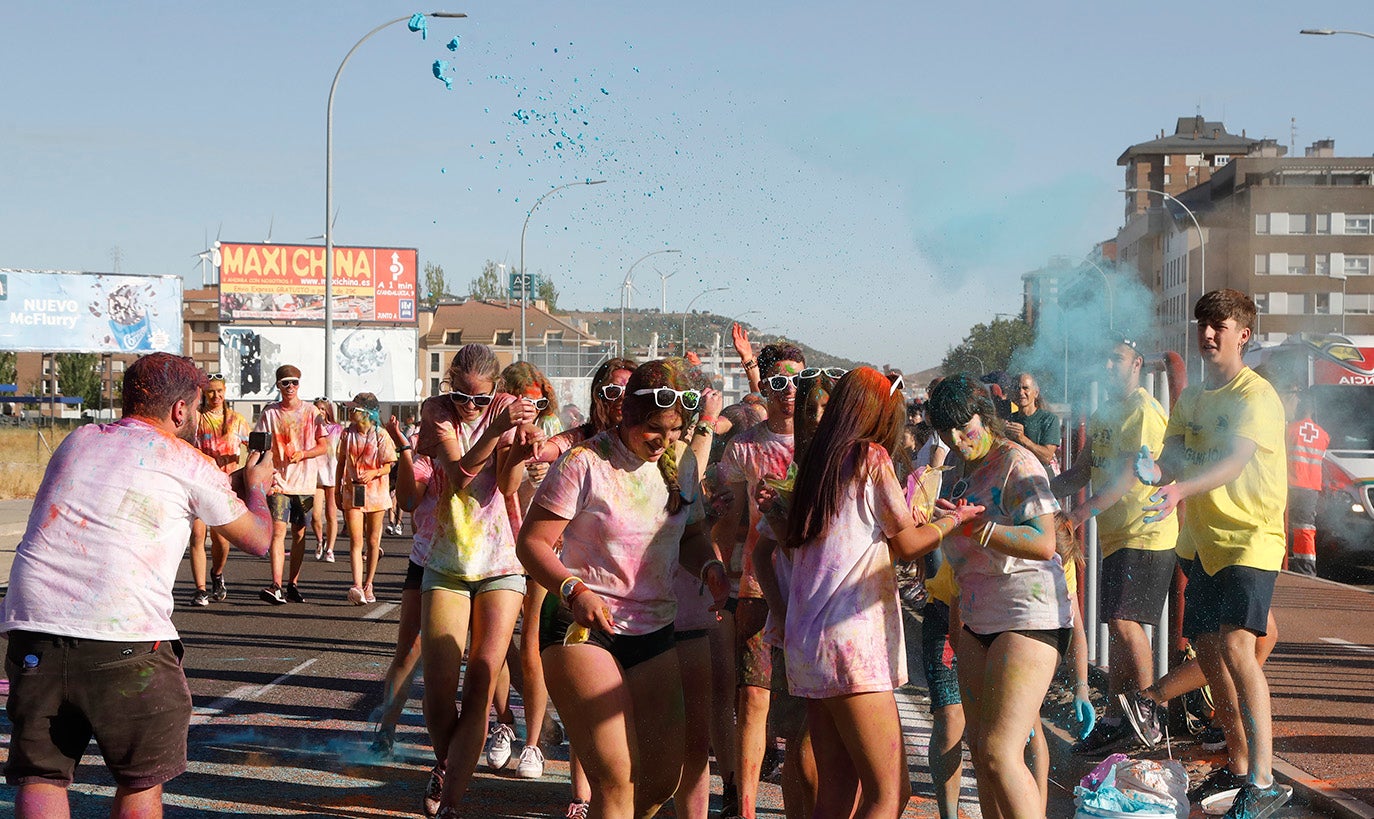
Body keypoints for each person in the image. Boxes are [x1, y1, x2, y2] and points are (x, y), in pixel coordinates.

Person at [1, 353, 274, 818]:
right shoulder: (186, 460)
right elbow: (259, 540)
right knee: (139, 779)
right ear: (180, 411)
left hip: (33, 629)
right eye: (197, 402)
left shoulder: (77, 440)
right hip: (125, 638)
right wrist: (256, 487)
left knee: (42, 775)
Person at [516, 360, 730, 819]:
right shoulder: (585, 462)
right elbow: (530, 543)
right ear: (628, 415)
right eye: (655, 429)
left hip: (653, 630)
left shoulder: (683, 465)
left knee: (659, 781)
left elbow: (691, 535)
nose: (665, 441)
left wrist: (709, 563)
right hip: (581, 629)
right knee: (616, 781)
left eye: (675, 431)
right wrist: (574, 590)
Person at [782, 368, 978, 819]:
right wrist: (955, 519)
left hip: (809, 643)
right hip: (853, 645)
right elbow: (907, 543)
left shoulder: (817, 460)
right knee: (889, 793)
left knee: (836, 789)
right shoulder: (870, 457)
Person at [1126, 290, 1290, 819]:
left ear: (1243, 334)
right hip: (1202, 544)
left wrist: (1179, 489)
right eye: (1202, 325)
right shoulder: (1193, 399)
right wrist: (1154, 472)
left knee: (1240, 648)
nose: (1208, 334)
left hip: (1250, 537)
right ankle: (1239, 764)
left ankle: (1264, 781)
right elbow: (1172, 458)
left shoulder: (1255, 395)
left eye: (1219, 325)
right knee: (1208, 649)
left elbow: (1235, 462)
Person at [927, 373, 1068, 819]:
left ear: (984, 417)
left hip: (1026, 612)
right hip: (975, 618)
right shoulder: (953, 474)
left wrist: (980, 528)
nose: (955, 439)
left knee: (1000, 750)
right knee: (982, 756)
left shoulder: (1017, 462)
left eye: (962, 427)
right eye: (944, 431)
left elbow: (1045, 542)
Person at [415, 344, 538, 819]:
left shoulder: (506, 411)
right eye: (462, 396)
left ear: (496, 391)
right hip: (447, 558)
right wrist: (498, 432)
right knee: (440, 691)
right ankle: (446, 761)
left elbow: (506, 487)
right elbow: (462, 475)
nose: (470, 406)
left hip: (501, 560)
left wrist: (523, 452)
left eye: (480, 399)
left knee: (483, 679)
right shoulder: (436, 412)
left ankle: (452, 801)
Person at [1050, 334, 1178, 755]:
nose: (1107, 366)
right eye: (1103, 358)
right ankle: (1114, 718)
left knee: (1125, 624)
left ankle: (1147, 718)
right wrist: (1036, 489)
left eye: (1116, 358)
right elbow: (1082, 470)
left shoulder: (1142, 411)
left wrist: (1077, 515)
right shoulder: (1106, 412)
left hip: (1147, 533)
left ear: (1137, 363)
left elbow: (1126, 476)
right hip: (1117, 538)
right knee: (1119, 627)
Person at [714, 341, 805, 819]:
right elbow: (729, 519)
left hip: (814, 593)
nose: (789, 391)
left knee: (804, 714)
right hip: (754, 584)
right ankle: (745, 807)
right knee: (752, 699)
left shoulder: (823, 443)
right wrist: (715, 572)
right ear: (764, 386)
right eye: (778, 383)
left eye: (798, 381)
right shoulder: (745, 447)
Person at [371, 414, 438, 759]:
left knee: (492, 656)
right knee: (409, 648)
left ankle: (516, 723)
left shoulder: (484, 447)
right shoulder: (424, 460)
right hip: (426, 561)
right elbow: (409, 502)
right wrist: (406, 450)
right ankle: (386, 731)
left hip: (477, 565)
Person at [255, 364, 329, 604]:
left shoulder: (311, 412)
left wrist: (303, 454)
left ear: (300, 384)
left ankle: (292, 584)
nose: (290, 387)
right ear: (278, 386)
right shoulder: (270, 413)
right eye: (285, 383)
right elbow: (258, 443)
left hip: (305, 483)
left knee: (299, 533)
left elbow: (324, 446)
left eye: (294, 382)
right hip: (278, 481)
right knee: (278, 530)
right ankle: (276, 585)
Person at [188, 372, 250, 605]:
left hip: (224, 489)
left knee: (221, 542)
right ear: (204, 393)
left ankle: (216, 574)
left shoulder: (236, 421)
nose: (215, 395)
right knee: (197, 535)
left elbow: (252, 445)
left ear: (225, 392)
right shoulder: (196, 419)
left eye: (219, 391)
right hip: (199, 485)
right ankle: (200, 589)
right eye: (211, 391)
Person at [338, 392, 397, 605]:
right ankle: (356, 585)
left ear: (366, 412)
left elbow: (390, 464)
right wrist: (337, 490)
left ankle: (368, 583)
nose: (350, 412)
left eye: (354, 409)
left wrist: (373, 473)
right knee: (356, 540)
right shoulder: (347, 434)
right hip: (353, 491)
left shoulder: (380, 435)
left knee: (373, 541)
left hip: (376, 492)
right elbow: (341, 463)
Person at [1281, 385, 1326, 577]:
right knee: (1305, 530)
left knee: (1280, 525)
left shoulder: (1289, 430)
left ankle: (1279, 565)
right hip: (1311, 490)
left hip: (1290, 486)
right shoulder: (1323, 436)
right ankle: (1307, 570)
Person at [1007, 372, 1061, 472]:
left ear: (1036, 393)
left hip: (1041, 478)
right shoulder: (1008, 420)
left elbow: (1046, 457)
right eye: (1017, 388)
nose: (1020, 392)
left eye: (1025, 388)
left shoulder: (1049, 419)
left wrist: (1022, 438)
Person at [311, 398, 342, 563]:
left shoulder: (337, 429)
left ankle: (330, 549)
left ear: (328, 411)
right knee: (315, 515)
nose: (320, 412)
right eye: (317, 409)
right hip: (315, 474)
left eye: (323, 409)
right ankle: (319, 541)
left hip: (331, 473)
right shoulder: (310, 429)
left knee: (331, 514)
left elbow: (341, 451)